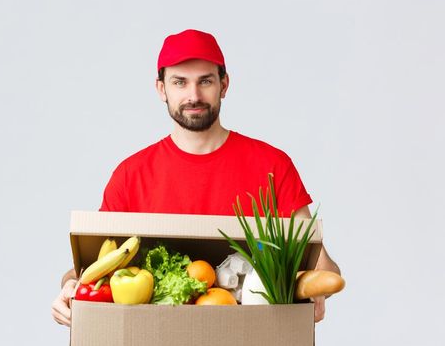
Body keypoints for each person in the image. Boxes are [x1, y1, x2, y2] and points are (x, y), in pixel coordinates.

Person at [51, 29, 341, 327]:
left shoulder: (272, 165)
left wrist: (311, 289)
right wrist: (69, 286)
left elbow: (324, 269)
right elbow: (90, 269)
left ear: (224, 85)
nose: (194, 95)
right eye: (180, 82)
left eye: (205, 81)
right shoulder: (130, 175)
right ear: (161, 88)